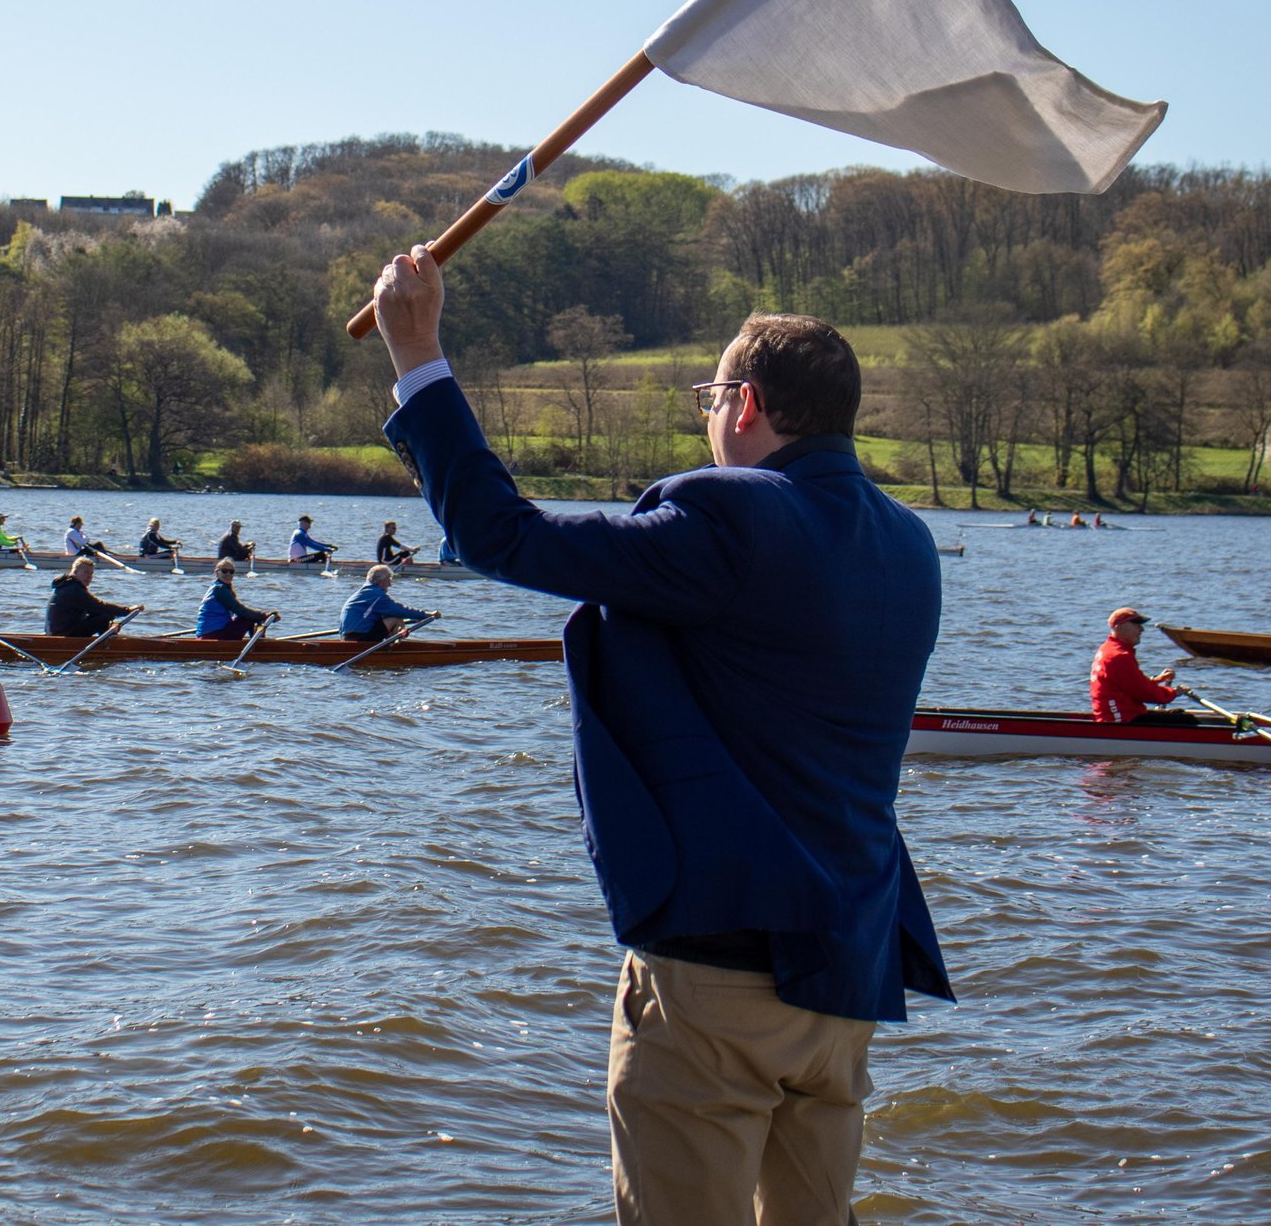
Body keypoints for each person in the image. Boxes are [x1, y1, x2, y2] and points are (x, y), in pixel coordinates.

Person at [370, 243, 950, 1225]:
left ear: (747, 404)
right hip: (848, 966)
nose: (707, 415)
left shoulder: (727, 520)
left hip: (721, 973)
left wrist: (418, 356)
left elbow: (504, 537)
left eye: (707, 395)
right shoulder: (908, 544)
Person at [1089, 606, 1183, 723]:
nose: (1141, 629)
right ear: (1120, 627)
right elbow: (1145, 693)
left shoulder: (1106, 649)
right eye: (1136, 624)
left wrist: (1156, 680)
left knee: (1178, 714)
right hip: (1121, 721)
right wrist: (1174, 692)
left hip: (1121, 715)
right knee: (1186, 720)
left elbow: (1131, 684)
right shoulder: (1118, 656)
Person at [339, 563, 437, 641]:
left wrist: (416, 617)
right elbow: (400, 610)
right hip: (358, 637)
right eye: (389, 580)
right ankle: (395, 648)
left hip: (346, 636)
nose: (390, 584)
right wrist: (425, 615)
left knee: (391, 616)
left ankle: (392, 642)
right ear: (381, 581)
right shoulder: (377, 595)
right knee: (396, 618)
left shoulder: (364, 591)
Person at [46, 557, 138, 637]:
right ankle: (109, 644)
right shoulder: (74, 589)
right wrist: (128, 610)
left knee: (101, 614)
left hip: (58, 632)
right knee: (104, 616)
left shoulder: (66, 585)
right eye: (86, 572)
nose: (89, 576)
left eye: (91, 574)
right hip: (63, 635)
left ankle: (108, 638)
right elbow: (100, 606)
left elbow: (94, 609)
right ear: (75, 572)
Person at [196, 559, 275, 641]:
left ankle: (256, 643)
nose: (228, 574)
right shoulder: (220, 589)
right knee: (248, 618)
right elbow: (241, 611)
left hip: (208, 634)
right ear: (217, 572)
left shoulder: (217, 587)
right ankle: (258, 646)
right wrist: (264, 616)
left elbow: (239, 611)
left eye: (231, 572)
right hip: (213, 635)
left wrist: (260, 616)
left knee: (249, 617)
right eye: (224, 571)